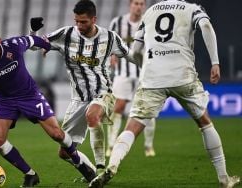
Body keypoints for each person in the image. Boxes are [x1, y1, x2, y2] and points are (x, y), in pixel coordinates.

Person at [89, 0, 241, 187]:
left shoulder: (150, 11)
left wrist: (145, 67)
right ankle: (224, 179)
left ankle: (112, 166)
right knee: (205, 123)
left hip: (152, 77)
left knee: (131, 127)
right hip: (182, 75)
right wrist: (215, 62)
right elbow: (206, 25)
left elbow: (136, 50)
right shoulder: (191, 8)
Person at [0, 25, 96, 187]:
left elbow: (33, 39)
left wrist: (46, 47)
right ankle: (30, 175)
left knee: (56, 134)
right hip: (4, 100)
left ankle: (79, 163)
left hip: (29, 96)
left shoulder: (14, 45)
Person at [30, 0, 140, 179]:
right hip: (78, 100)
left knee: (92, 115)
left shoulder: (110, 37)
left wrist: (154, 69)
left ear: (94, 19)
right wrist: (34, 31)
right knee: (65, 153)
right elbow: (35, 45)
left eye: (84, 22)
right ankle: (91, 173)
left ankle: (101, 167)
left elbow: (133, 57)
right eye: (77, 21)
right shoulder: (66, 34)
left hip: (103, 93)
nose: (79, 25)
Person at [107, 0, 156, 158]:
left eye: (142, 4)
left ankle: (148, 146)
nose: (139, 6)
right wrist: (112, 55)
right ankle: (111, 145)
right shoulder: (118, 22)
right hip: (123, 73)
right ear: (130, 4)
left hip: (145, 74)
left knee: (147, 110)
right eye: (136, 3)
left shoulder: (150, 22)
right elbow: (110, 42)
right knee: (118, 108)